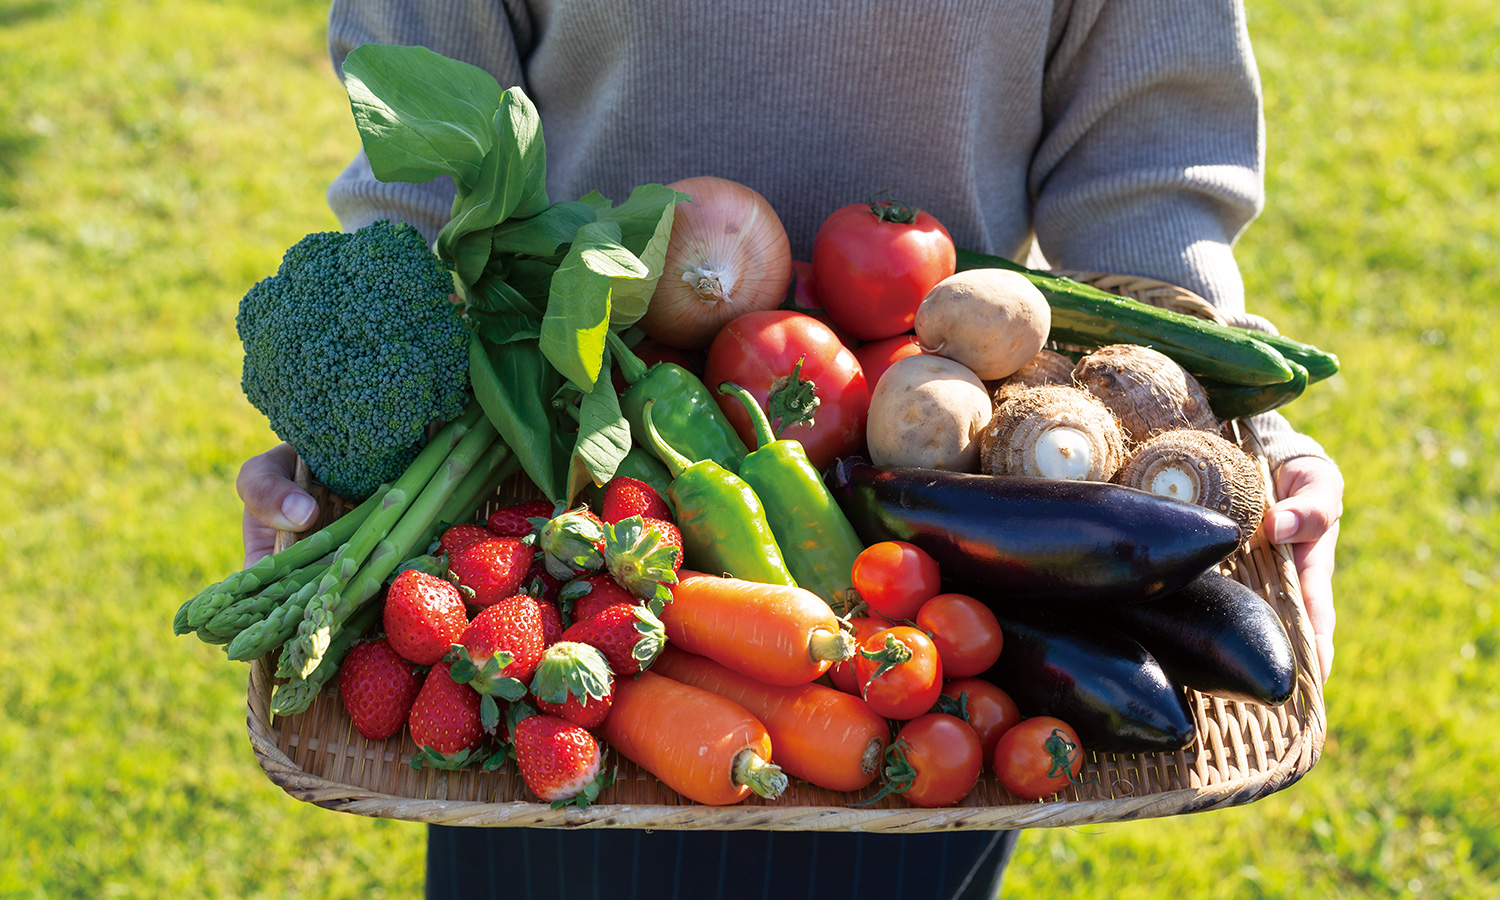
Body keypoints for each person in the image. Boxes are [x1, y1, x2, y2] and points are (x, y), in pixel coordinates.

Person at [235, 1, 1344, 896]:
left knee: (886, 824)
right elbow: (424, 162)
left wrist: (1222, 433)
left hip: (950, 469)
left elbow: (1151, 171)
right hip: (562, 480)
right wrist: (359, 430)